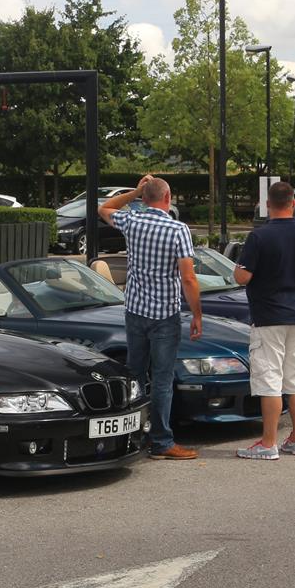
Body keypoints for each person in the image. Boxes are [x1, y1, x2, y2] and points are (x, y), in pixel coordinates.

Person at [98, 175, 202, 461]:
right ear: (168, 198)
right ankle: (161, 441)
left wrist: (135, 191)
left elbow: (104, 208)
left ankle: (130, 436)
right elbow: (188, 278)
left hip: (135, 311)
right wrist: (197, 314)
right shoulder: (178, 229)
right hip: (164, 314)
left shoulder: (132, 221)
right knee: (162, 380)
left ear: (145, 199)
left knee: (135, 373)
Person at [232, 180, 295, 460]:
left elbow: (242, 277)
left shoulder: (259, 237)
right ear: (294, 202)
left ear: (268, 204)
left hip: (268, 316)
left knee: (269, 378)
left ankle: (268, 442)